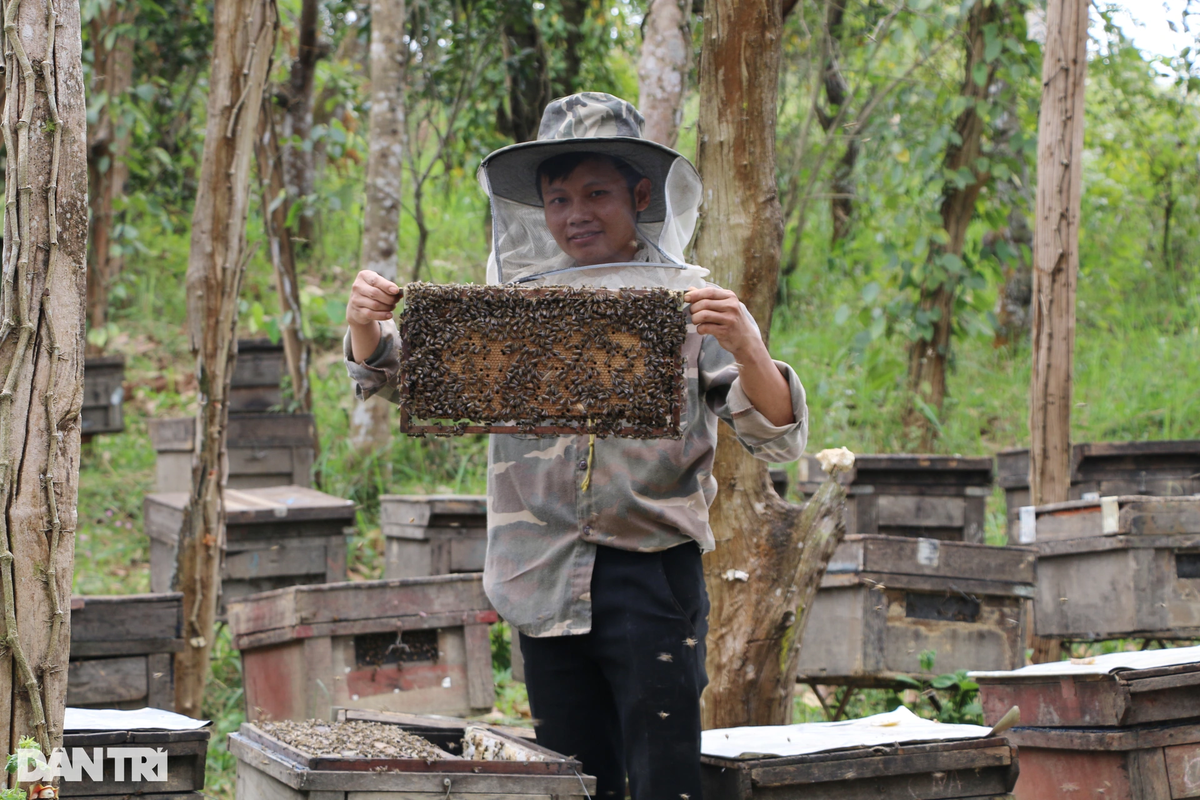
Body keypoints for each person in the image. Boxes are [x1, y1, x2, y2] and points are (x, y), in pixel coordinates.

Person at [345, 92, 808, 800]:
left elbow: (773, 436)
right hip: (541, 575)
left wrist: (748, 344)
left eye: (596, 192)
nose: (575, 213)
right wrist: (368, 326)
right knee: (573, 780)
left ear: (641, 194)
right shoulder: (515, 310)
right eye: (557, 198)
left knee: (663, 779)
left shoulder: (688, 303)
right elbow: (408, 380)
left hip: (651, 577)